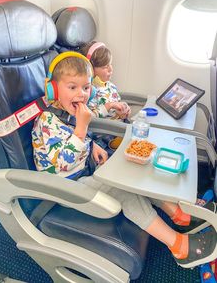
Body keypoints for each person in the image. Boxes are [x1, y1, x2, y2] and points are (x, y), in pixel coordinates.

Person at [32, 51, 217, 268]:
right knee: (123, 190)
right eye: (72, 87)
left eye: (85, 87)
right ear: (53, 89)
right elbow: (62, 161)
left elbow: (75, 135)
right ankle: (179, 247)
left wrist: (93, 146)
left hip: (85, 171)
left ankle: (179, 216)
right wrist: (82, 130)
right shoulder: (47, 121)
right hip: (65, 186)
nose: (81, 94)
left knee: (133, 170)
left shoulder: (70, 111)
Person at [80, 41, 131, 121]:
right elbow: (89, 118)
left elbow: (116, 106)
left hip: (118, 125)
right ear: (91, 69)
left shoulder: (111, 86)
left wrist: (123, 110)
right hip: (104, 131)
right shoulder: (88, 92)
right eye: (105, 67)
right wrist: (109, 106)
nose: (111, 69)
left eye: (110, 64)